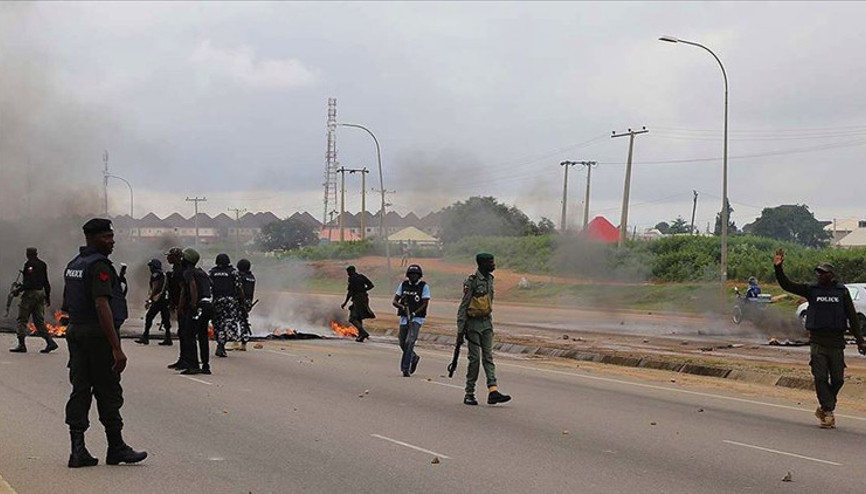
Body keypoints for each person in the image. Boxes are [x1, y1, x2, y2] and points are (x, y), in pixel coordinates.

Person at [62, 218, 146, 468]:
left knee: (80, 389)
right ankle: (116, 447)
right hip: (97, 336)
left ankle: (78, 451)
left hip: (76, 332)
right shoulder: (99, 265)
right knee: (108, 390)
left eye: (112, 236)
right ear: (92, 238)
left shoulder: (73, 264)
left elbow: (66, 303)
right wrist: (116, 347)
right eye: (106, 237)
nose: (112, 241)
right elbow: (102, 305)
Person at [774, 248, 866, 428]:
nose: (819, 275)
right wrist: (778, 267)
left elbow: (852, 317)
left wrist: (860, 340)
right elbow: (787, 285)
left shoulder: (842, 292)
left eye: (823, 272)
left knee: (838, 379)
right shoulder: (812, 290)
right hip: (818, 342)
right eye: (818, 272)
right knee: (820, 377)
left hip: (836, 342)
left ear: (831, 275)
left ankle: (825, 407)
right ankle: (828, 411)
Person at [457, 252, 511, 406]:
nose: (493, 265)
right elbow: (463, 306)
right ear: (481, 264)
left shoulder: (490, 280)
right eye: (490, 262)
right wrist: (461, 330)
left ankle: (493, 391)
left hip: (486, 324)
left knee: (488, 357)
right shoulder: (471, 281)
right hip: (472, 325)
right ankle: (469, 393)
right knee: (474, 360)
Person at [9, 247, 58, 353]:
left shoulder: (29, 265)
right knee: (39, 321)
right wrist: (48, 296)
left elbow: (29, 283)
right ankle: (50, 342)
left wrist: (18, 290)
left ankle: (21, 345)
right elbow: (46, 281)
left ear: (28, 254)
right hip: (40, 293)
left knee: (22, 319)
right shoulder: (43, 264)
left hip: (30, 294)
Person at [177, 248, 213, 375]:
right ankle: (206, 365)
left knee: (189, 335)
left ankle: (193, 365)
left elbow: (192, 287)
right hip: (208, 305)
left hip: (198, 306)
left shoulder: (188, 272)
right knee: (203, 336)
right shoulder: (202, 272)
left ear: (186, 260)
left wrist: (192, 305)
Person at [392, 264, 430, 377]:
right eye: (411, 274)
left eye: (416, 275)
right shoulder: (403, 285)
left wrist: (414, 313)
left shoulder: (423, 286)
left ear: (419, 276)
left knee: (409, 342)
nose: (413, 276)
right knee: (402, 342)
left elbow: (425, 304)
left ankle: (405, 368)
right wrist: (402, 307)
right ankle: (413, 357)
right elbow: (394, 301)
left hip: (417, 318)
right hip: (404, 317)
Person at [209, 253, 243, 358]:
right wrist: (242, 302)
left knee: (218, 324)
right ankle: (222, 344)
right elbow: (239, 288)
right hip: (230, 302)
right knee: (229, 324)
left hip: (217, 301)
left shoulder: (212, 272)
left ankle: (220, 344)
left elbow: (208, 288)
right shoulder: (233, 272)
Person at [135, 259, 171, 345]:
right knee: (165, 319)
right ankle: (168, 338)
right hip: (165, 299)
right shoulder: (163, 274)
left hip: (159, 300)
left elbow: (155, 287)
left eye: (151, 266)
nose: (150, 268)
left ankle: (145, 336)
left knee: (149, 316)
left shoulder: (155, 274)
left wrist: (150, 299)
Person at [341, 265, 375, 342]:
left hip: (357, 299)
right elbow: (371, 285)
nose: (348, 274)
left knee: (352, 318)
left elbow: (350, 292)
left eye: (348, 272)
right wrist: (363, 290)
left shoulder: (352, 279)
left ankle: (363, 333)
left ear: (351, 271)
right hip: (364, 298)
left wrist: (345, 303)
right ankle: (360, 335)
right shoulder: (361, 277)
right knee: (358, 317)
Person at [165, 247, 187, 368]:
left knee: (184, 333)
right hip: (179, 304)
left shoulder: (180, 270)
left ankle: (186, 360)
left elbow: (182, 289)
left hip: (183, 306)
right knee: (182, 333)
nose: (168, 258)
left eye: (170, 255)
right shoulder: (175, 270)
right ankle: (182, 358)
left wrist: (180, 306)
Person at [236, 258, 256, 351]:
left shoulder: (240, 276)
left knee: (234, 321)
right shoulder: (251, 277)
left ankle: (235, 341)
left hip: (239, 301)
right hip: (248, 302)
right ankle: (244, 343)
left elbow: (238, 289)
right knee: (244, 321)